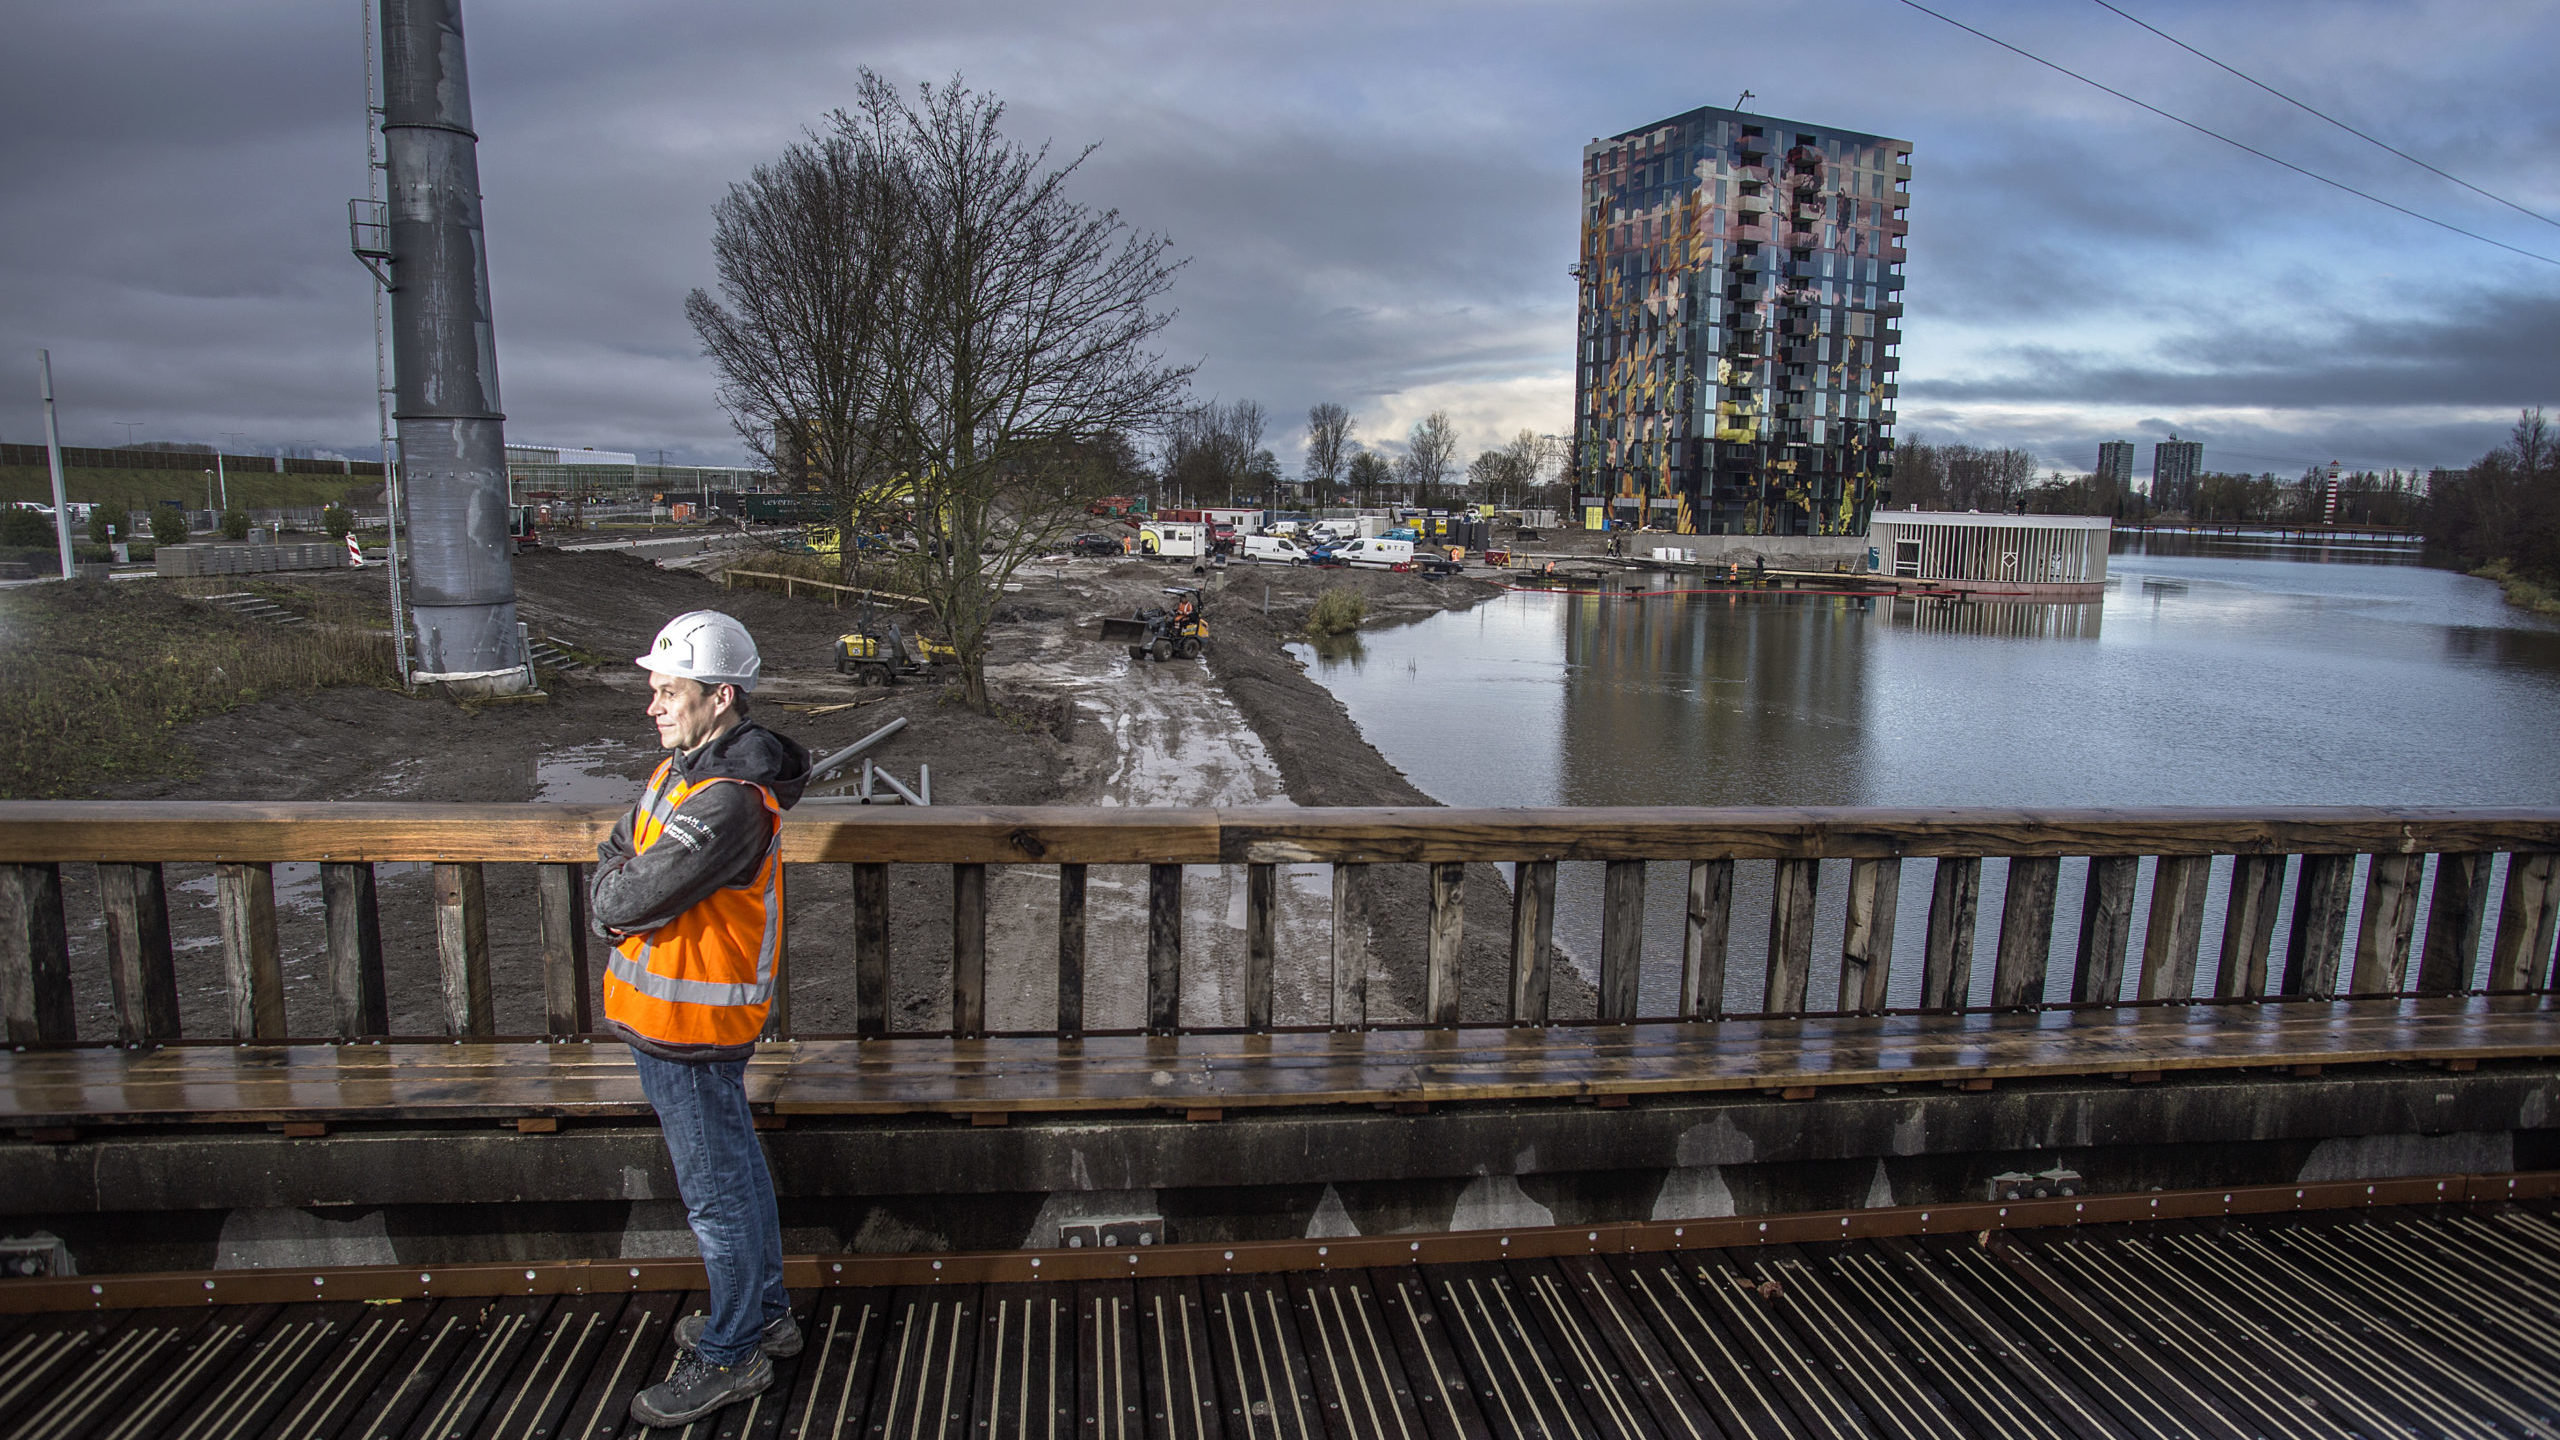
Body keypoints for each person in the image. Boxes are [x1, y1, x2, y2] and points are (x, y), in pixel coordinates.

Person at [591, 610, 813, 1427]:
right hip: (667, 1019)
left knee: (716, 1198)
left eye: (668, 691)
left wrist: (617, 899)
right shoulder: (679, 772)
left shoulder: (726, 801)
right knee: (736, 1178)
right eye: (653, 691)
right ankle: (768, 1316)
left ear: (721, 697)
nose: (653, 706)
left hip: (690, 1028)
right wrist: (618, 893)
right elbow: (618, 854)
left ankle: (731, 1353)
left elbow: (627, 890)